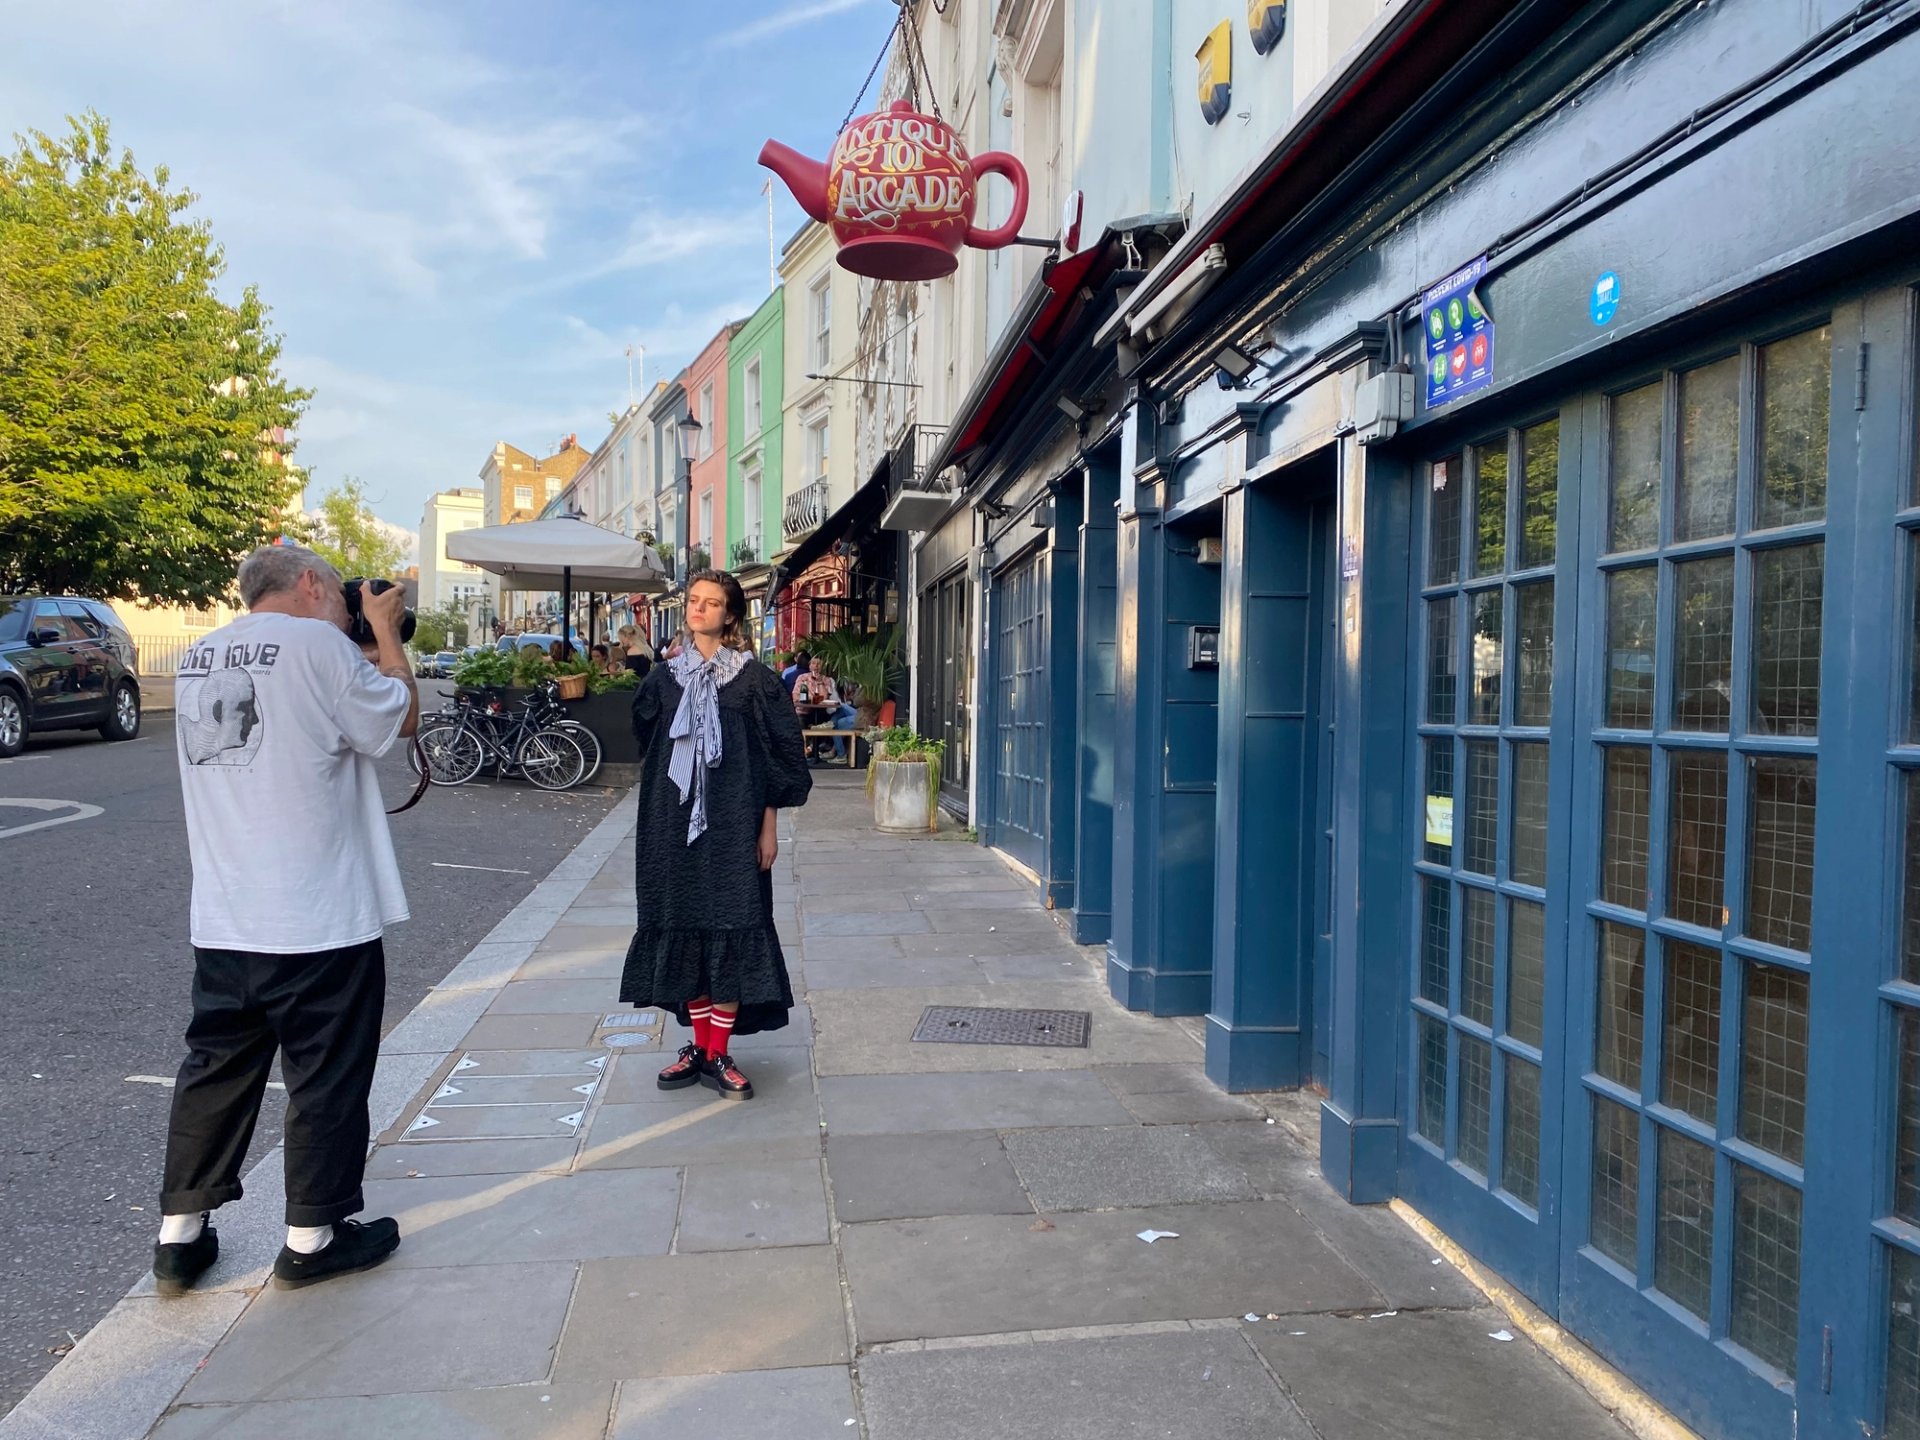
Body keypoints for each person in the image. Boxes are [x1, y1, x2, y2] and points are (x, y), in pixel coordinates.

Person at [152, 543, 418, 1297]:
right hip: (318, 915)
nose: (344, 607)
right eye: (338, 594)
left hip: (226, 914)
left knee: (217, 1070)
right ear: (308, 584)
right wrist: (384, 631)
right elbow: (396, 718)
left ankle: (181, 1235)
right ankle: (312, 1238)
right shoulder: (318, 647)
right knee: (325, 1074)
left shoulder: (201, 655)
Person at [620, 569, 811, 1101]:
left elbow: (780, 758)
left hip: (734, 825)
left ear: (730, 615)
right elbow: (646, 743)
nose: (698, 609)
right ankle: (701, 1050)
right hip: (669, 824)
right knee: (684, 923)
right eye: (693, 601)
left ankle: (719, 1051)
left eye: (710, 603)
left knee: (734, 921)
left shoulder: (755, 681)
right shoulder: (663, 679)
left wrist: (768, 824)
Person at [793, 656, 858, 762]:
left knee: (826, 721)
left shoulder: (826, 680)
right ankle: (803, 752)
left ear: (822, 666)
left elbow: (824, 697)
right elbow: (796, 696)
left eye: (819, 664)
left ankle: (815, 750)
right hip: (804, 711)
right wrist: (811, 698)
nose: (816, 666)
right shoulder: (802, 678)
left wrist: (819, 682)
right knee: (800, 722)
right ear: (809, 666)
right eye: (813, 663)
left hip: (821, 712)